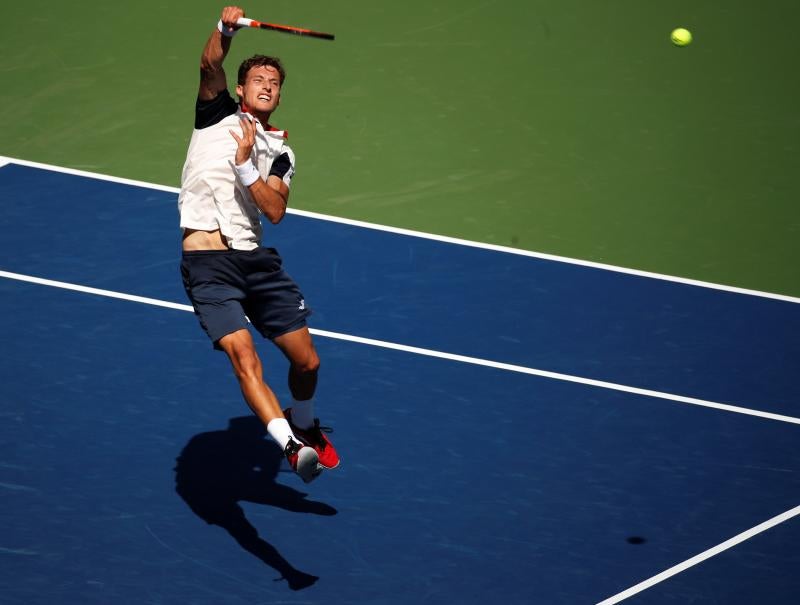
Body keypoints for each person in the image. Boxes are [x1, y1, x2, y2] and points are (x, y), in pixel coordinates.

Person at [178, 5, 338, 483]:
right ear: (242, 89)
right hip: (208, 265)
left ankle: (304, 423)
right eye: (259, 79)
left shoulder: (281, 151)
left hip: (255, 262)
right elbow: (210, 65)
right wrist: (224, 29)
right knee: (244, 356)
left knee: (307, 361)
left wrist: (247, 164)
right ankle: (290, 447)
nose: (268, 86)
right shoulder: (214, 114)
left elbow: (274, 210)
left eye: (275, 82)